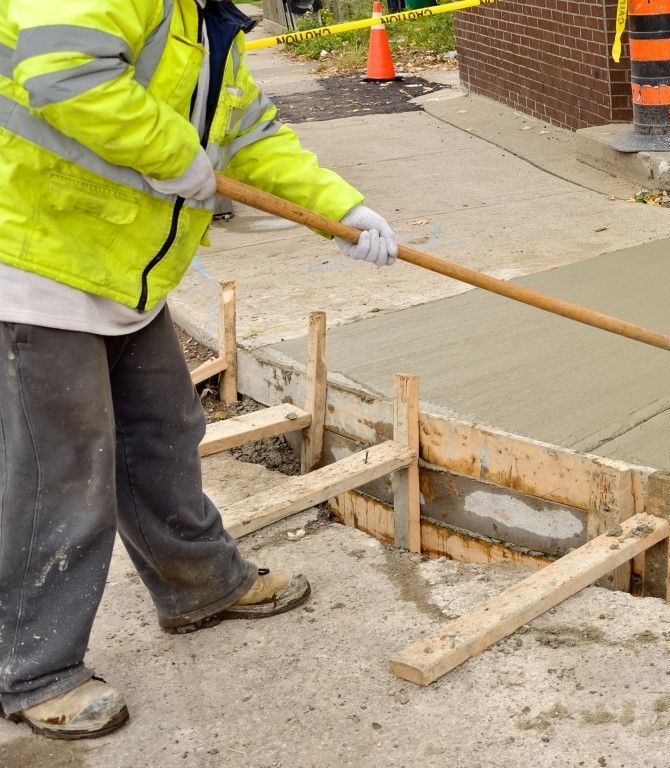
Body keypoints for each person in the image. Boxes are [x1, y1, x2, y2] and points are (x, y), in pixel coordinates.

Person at [0, 0, 398, 739]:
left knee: (163, 432)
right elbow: (63, 72)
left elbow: (250, 139)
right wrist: (177, 160)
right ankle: (34, 667)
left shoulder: (207, 24)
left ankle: (199, 586)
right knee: (60, 468)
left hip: (119, 269)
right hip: (31, 260)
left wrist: (342, 210)